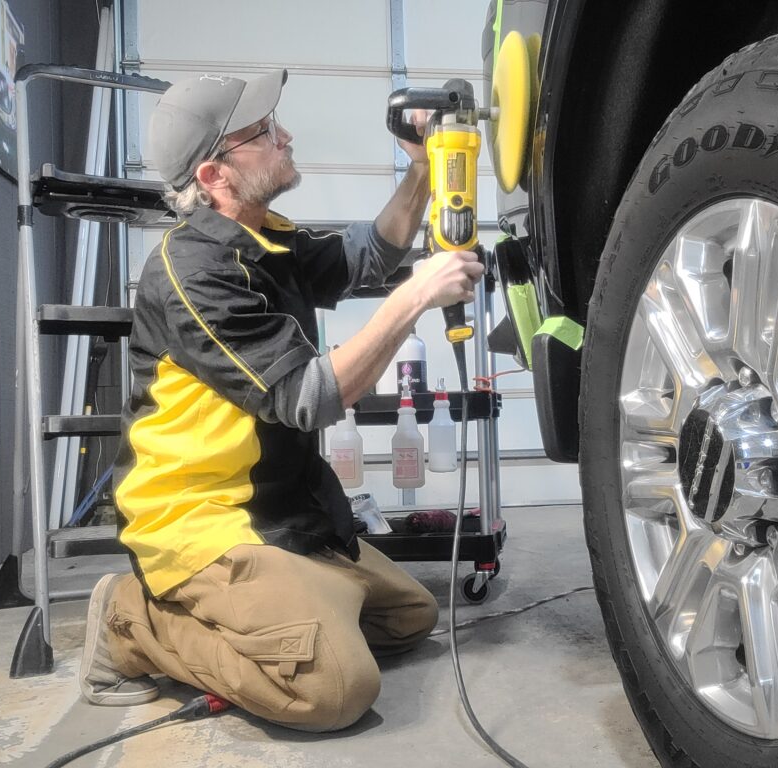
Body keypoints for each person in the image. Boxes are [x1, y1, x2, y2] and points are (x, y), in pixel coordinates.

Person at [77, 70, 484, 731]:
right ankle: (133, 623)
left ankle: (296, 601)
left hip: (276, 512)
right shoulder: (193, 271)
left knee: (410, 618)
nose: (285, 135)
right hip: (199, 521)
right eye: (262, 133)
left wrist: (422, 169)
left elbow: (369, 257)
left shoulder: (267, 239)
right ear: (214, 176)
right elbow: (307, 396)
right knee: (333, 690)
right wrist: (416, 297)